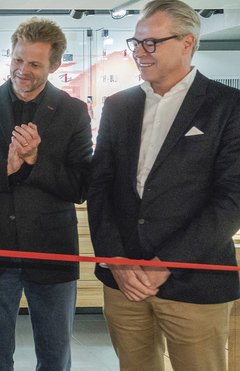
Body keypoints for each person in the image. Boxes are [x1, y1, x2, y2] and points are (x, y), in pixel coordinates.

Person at [87, 0, 240, 369]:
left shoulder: (228, 106)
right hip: (124, 282)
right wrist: (115, 259)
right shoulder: (119, 105)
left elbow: (232, 200)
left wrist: (163, 264)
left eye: (150, 43)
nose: (139, 52)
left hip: (195, 282)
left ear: (187, 43)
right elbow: (100, 188)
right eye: (136, 43)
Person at [0, 17, 93, 371]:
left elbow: (80, 185)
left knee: (54, 356)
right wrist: (9, 168)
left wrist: (35, 160)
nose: (22, 70)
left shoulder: (73, 111)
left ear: (55, 65)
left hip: (52, 253)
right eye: (18, 60)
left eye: (34, 64)